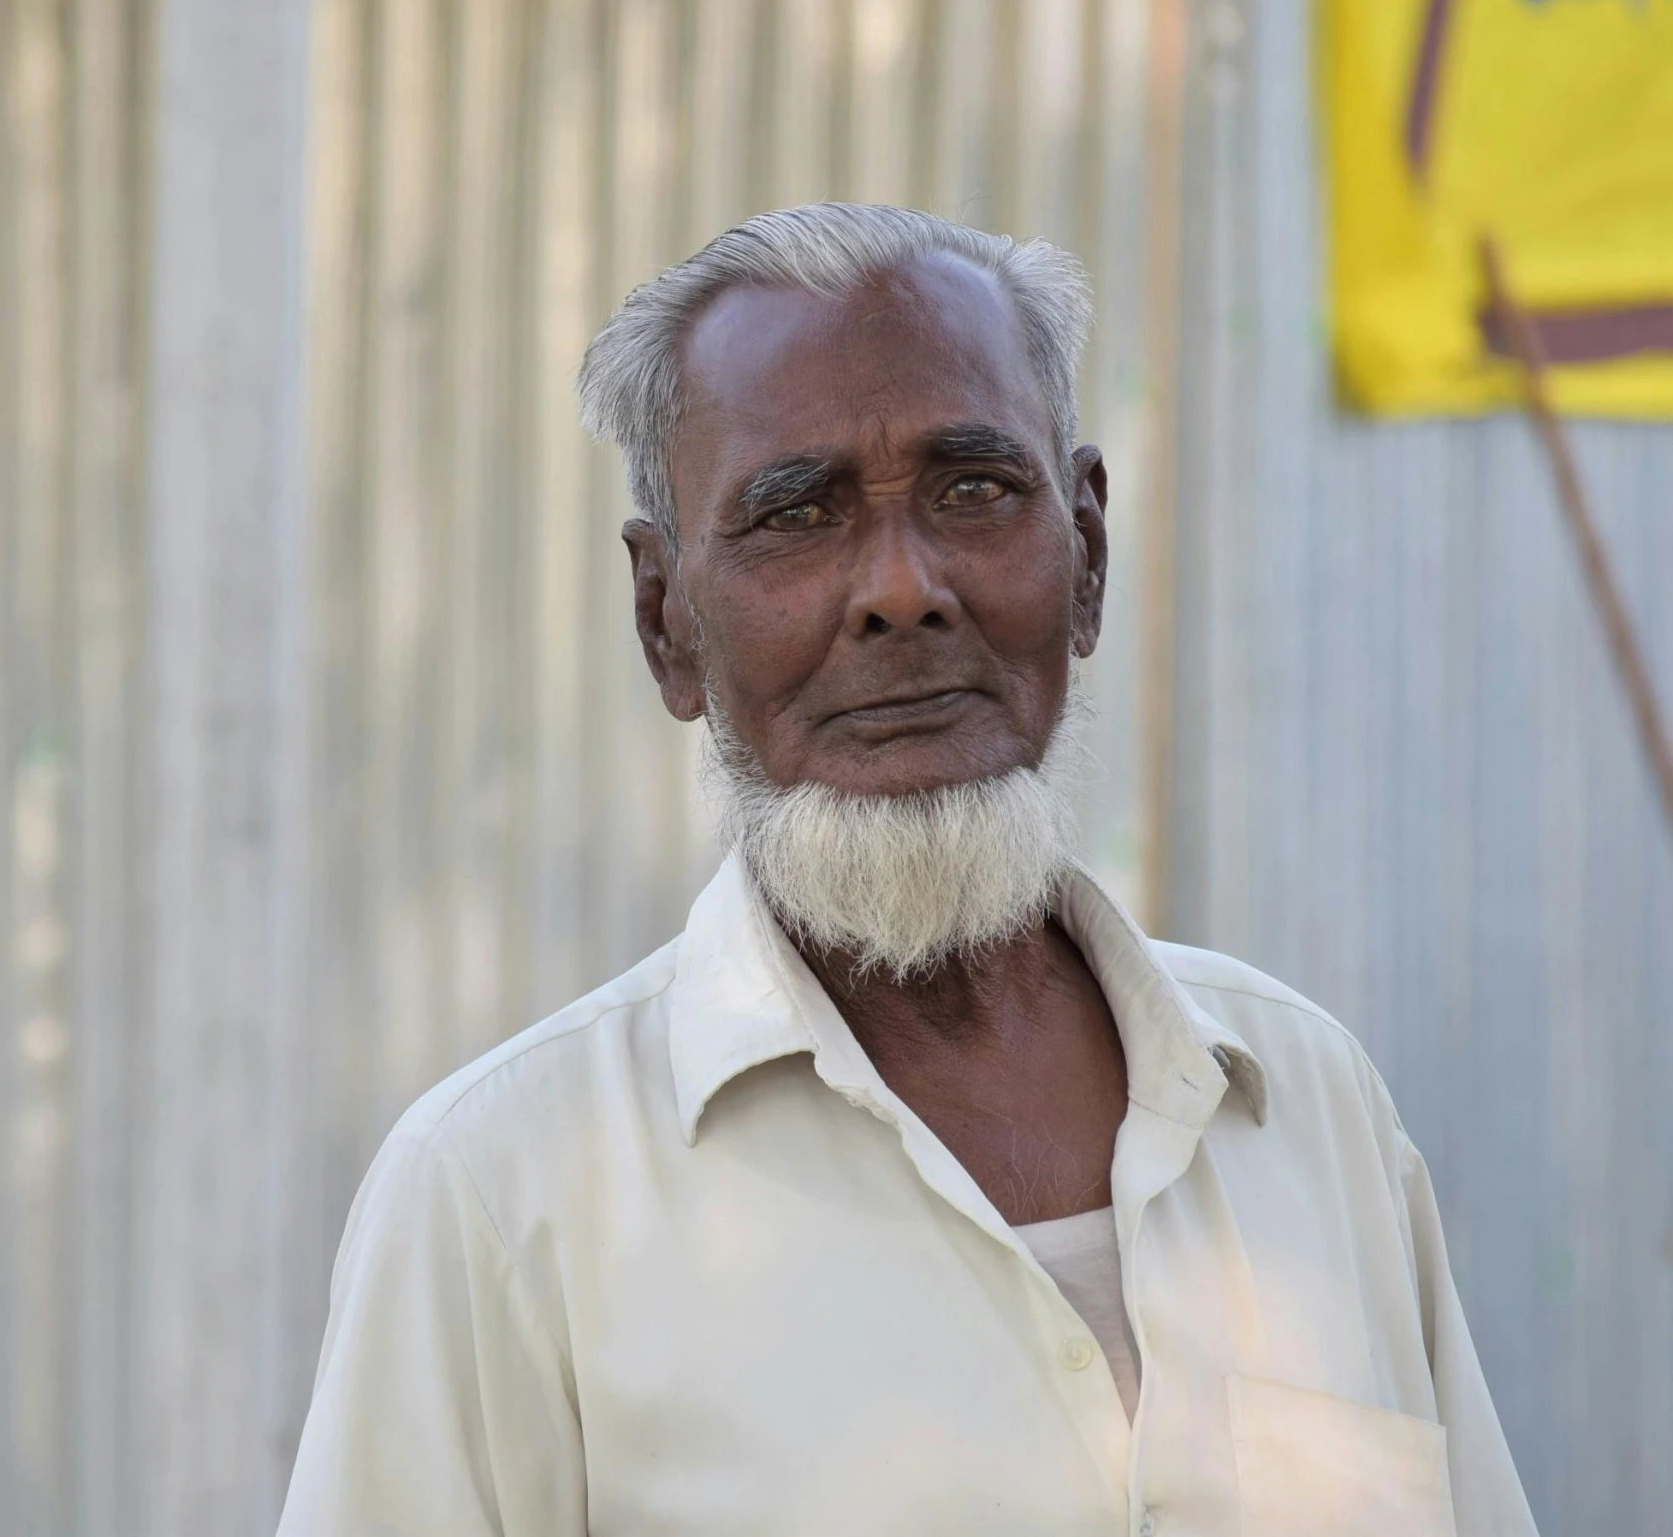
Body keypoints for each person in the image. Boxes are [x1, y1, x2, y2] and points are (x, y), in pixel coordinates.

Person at [276, 203, 1535, 1537]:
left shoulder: (1308, 1102)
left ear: (1087, 554)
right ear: (667, 624)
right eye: (794, 515)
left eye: (974, 489)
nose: (899, 588)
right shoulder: (499, 1195)